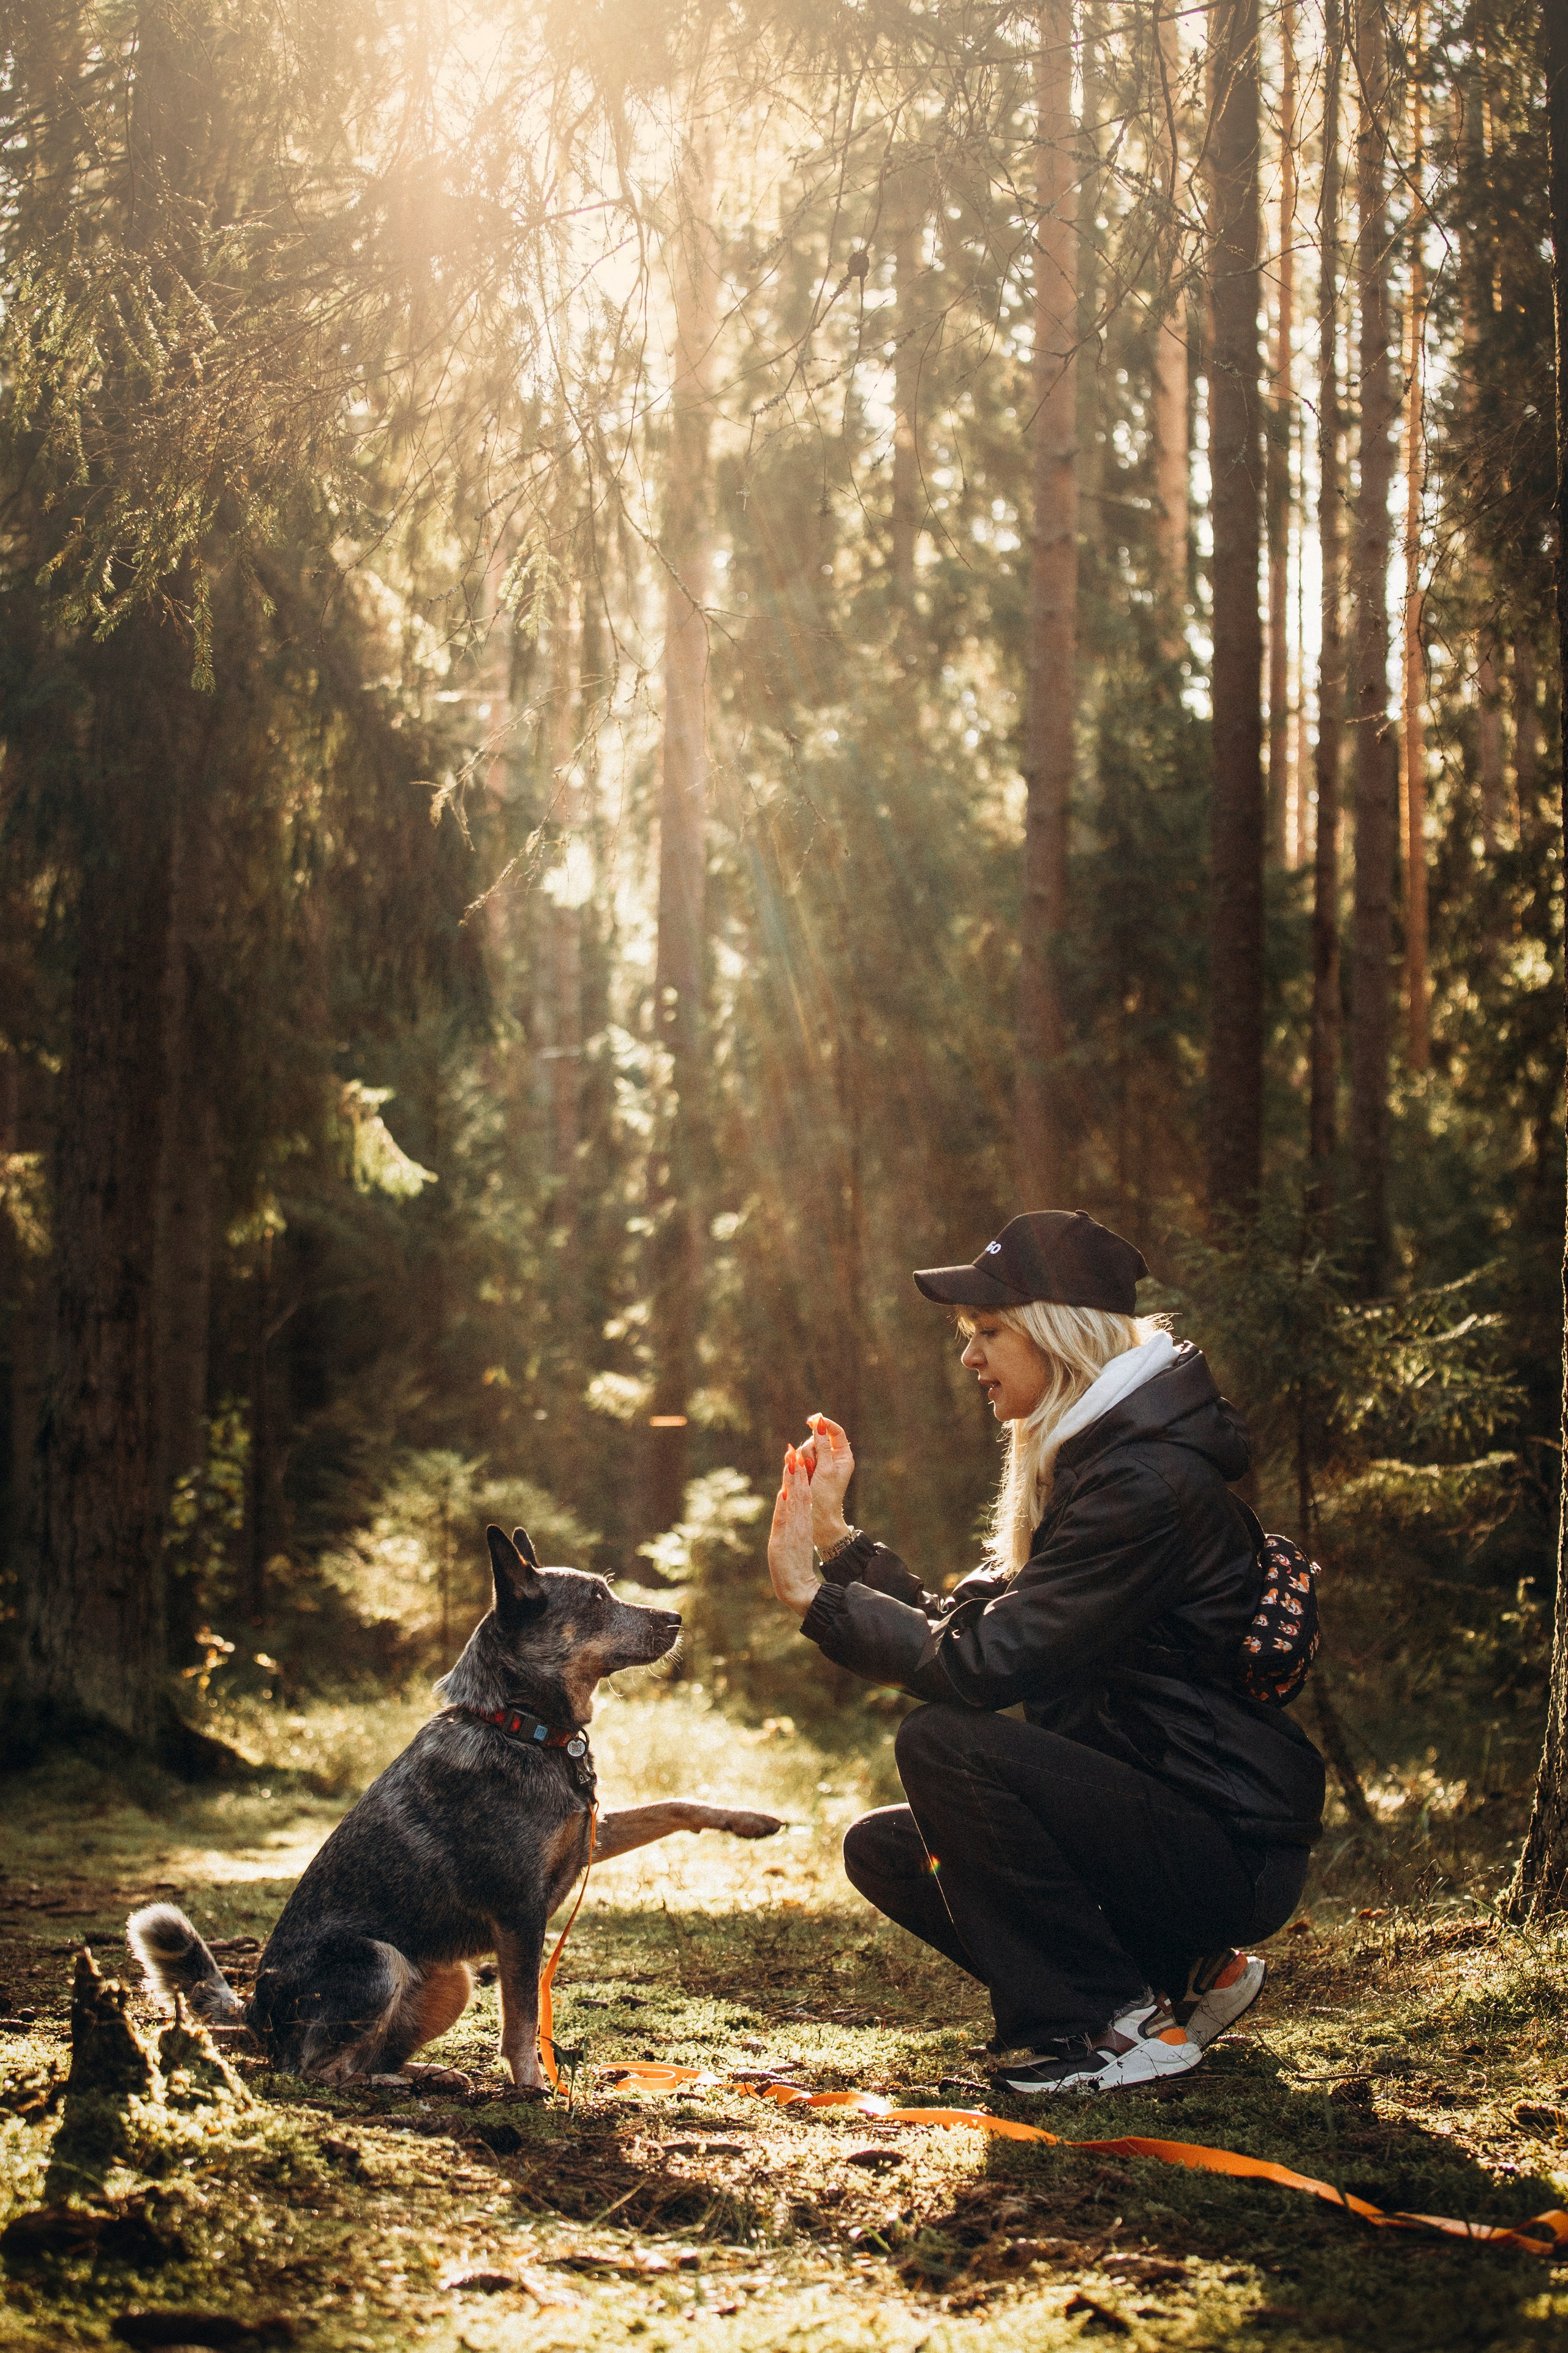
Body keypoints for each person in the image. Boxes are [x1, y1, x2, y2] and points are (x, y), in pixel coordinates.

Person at [765, 1209, 1325, 2094]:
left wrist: (817, 1601)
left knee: (942, 1743)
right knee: (888, 1849)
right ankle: (1176, 1980)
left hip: (1226, 1844)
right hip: (1163, 1819)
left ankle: (1108, 2025)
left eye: (990, 1331)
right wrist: (840, 1547)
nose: (970, 1356)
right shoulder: (1104, 1464)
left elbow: (980, 1667)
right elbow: (973, 1622)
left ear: (1059, 1335)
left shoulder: (1144, 1483)